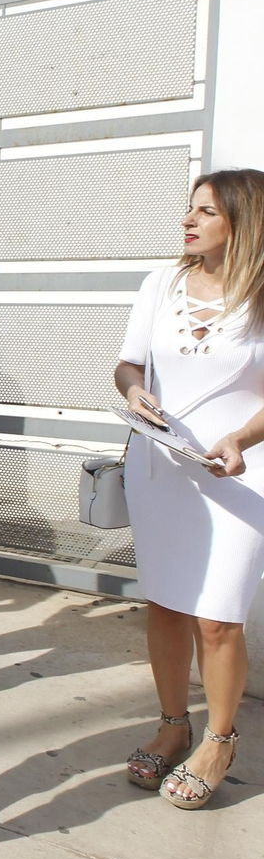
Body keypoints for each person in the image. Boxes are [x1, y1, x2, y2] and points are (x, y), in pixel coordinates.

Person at [117, 169, 264, 810]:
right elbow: (128, 363)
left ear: (244, 220)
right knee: (167, 607)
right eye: (190, 208)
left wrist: (243, 437)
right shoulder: (162, 283)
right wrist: (132, 391)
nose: (189, 220)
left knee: (218, 619)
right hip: (162, 470)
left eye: (206, 211)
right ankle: (174, 725)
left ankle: (220, 737)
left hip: (238, 476)